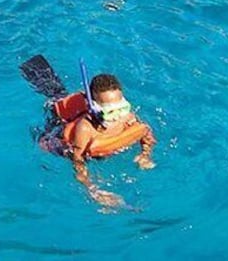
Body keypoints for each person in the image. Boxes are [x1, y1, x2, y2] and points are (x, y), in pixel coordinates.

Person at [21, 56, 156, 207]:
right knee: (47, 142)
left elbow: (145, 132)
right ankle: (38, 74)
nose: (118, 116)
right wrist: (93, 190)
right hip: (62, 128)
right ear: (94, 107)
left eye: (122, 108)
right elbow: (77, 160)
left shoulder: (127, 116)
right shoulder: (85, 128)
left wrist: (145, 154)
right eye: (110, 112)